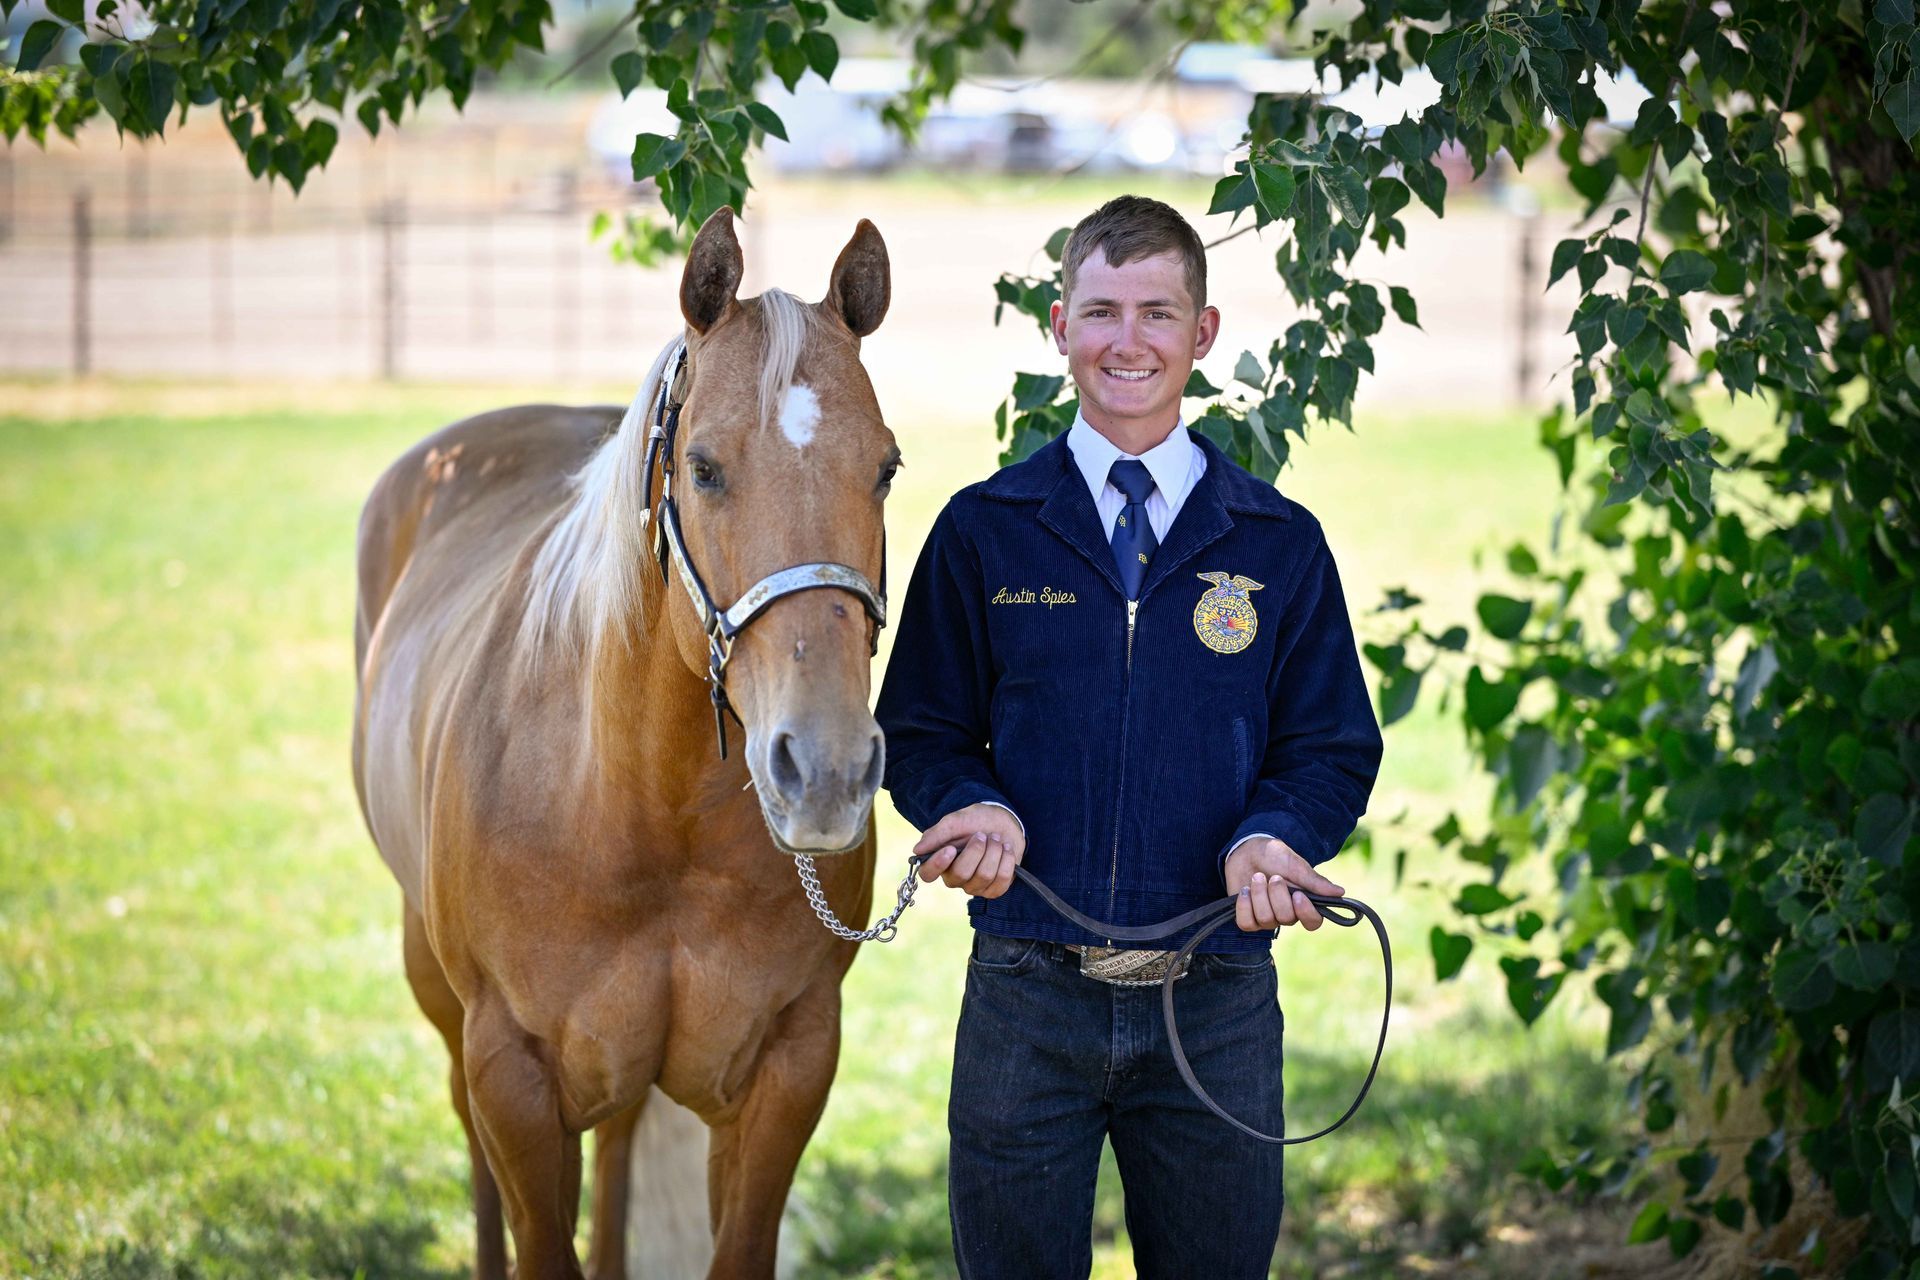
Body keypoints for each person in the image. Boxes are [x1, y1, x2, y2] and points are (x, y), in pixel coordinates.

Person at [874, 194, 1383, 1279]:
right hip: (1027, 994)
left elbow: (1332, 743)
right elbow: (919, 727)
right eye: (1100, 310)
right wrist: (969, 801)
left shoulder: (1278, 542)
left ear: (1202, 333)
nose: (1128, 340)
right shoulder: (984, 529)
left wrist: (1277, 834)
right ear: (1059, 325)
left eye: (1158, 312)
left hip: (1219, 1001)